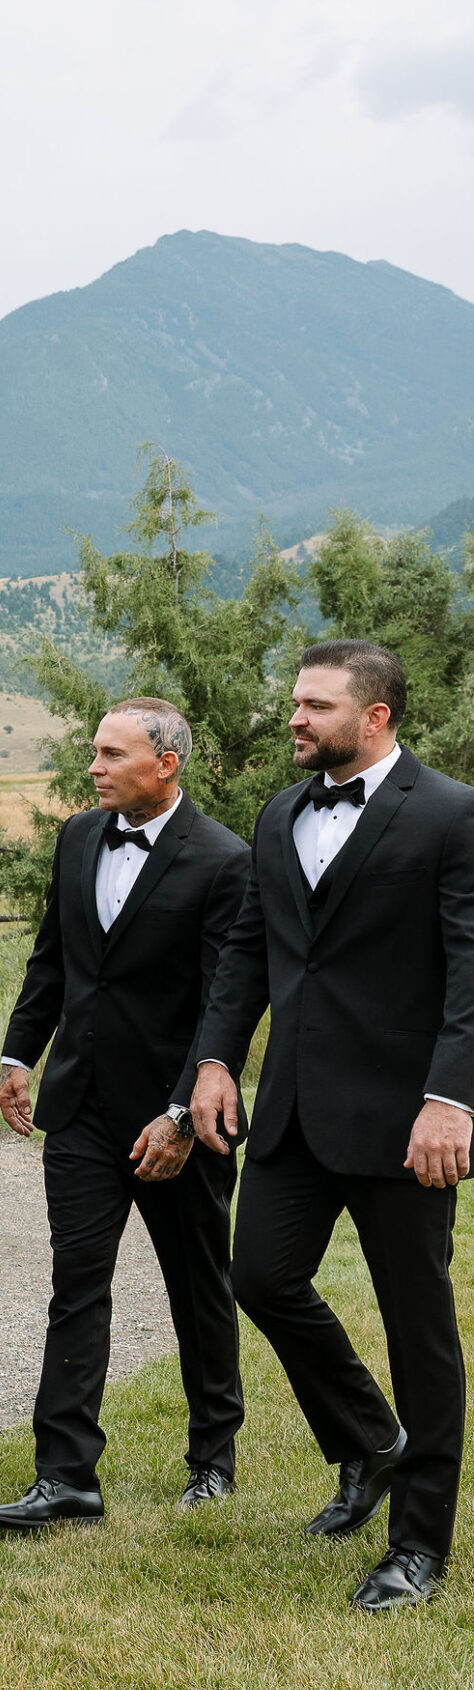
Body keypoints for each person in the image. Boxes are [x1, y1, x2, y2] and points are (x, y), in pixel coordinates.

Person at [191, 641, 474, 1612]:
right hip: (294, 1113)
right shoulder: (278, 811)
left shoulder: (450, 814)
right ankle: (368, 1441)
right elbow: (246, 949)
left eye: (315, 704)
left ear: (378, 714)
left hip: (407, 1122)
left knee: (418, 1326)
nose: (295, 718)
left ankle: (417, 1543)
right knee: (260, 1276)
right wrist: (215, 1060)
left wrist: (452, 1097)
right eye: (295, 702)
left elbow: (471, 972)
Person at [0, 699, 249, 1530]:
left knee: (197, 1288)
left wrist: (179, 1114)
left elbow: (224, 1005)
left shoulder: (224, 860)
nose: (93, 767)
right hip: (83, 1113)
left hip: (181, 1118)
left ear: (166, 762)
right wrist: (17, 1055)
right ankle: (66, 1477)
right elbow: (54, 962)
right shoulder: (76, 837)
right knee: (77, 1286)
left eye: (110, 754)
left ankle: (213, 1459)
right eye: (93, 753)